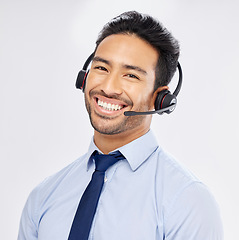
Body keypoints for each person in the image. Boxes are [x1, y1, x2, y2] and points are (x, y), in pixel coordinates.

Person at [18, 11, 223, 240]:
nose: (109, 87)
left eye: (131, 76)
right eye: (102, 68)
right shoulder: (43, 197)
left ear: (160, 99)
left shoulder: (187, 202)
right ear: (84, 78)